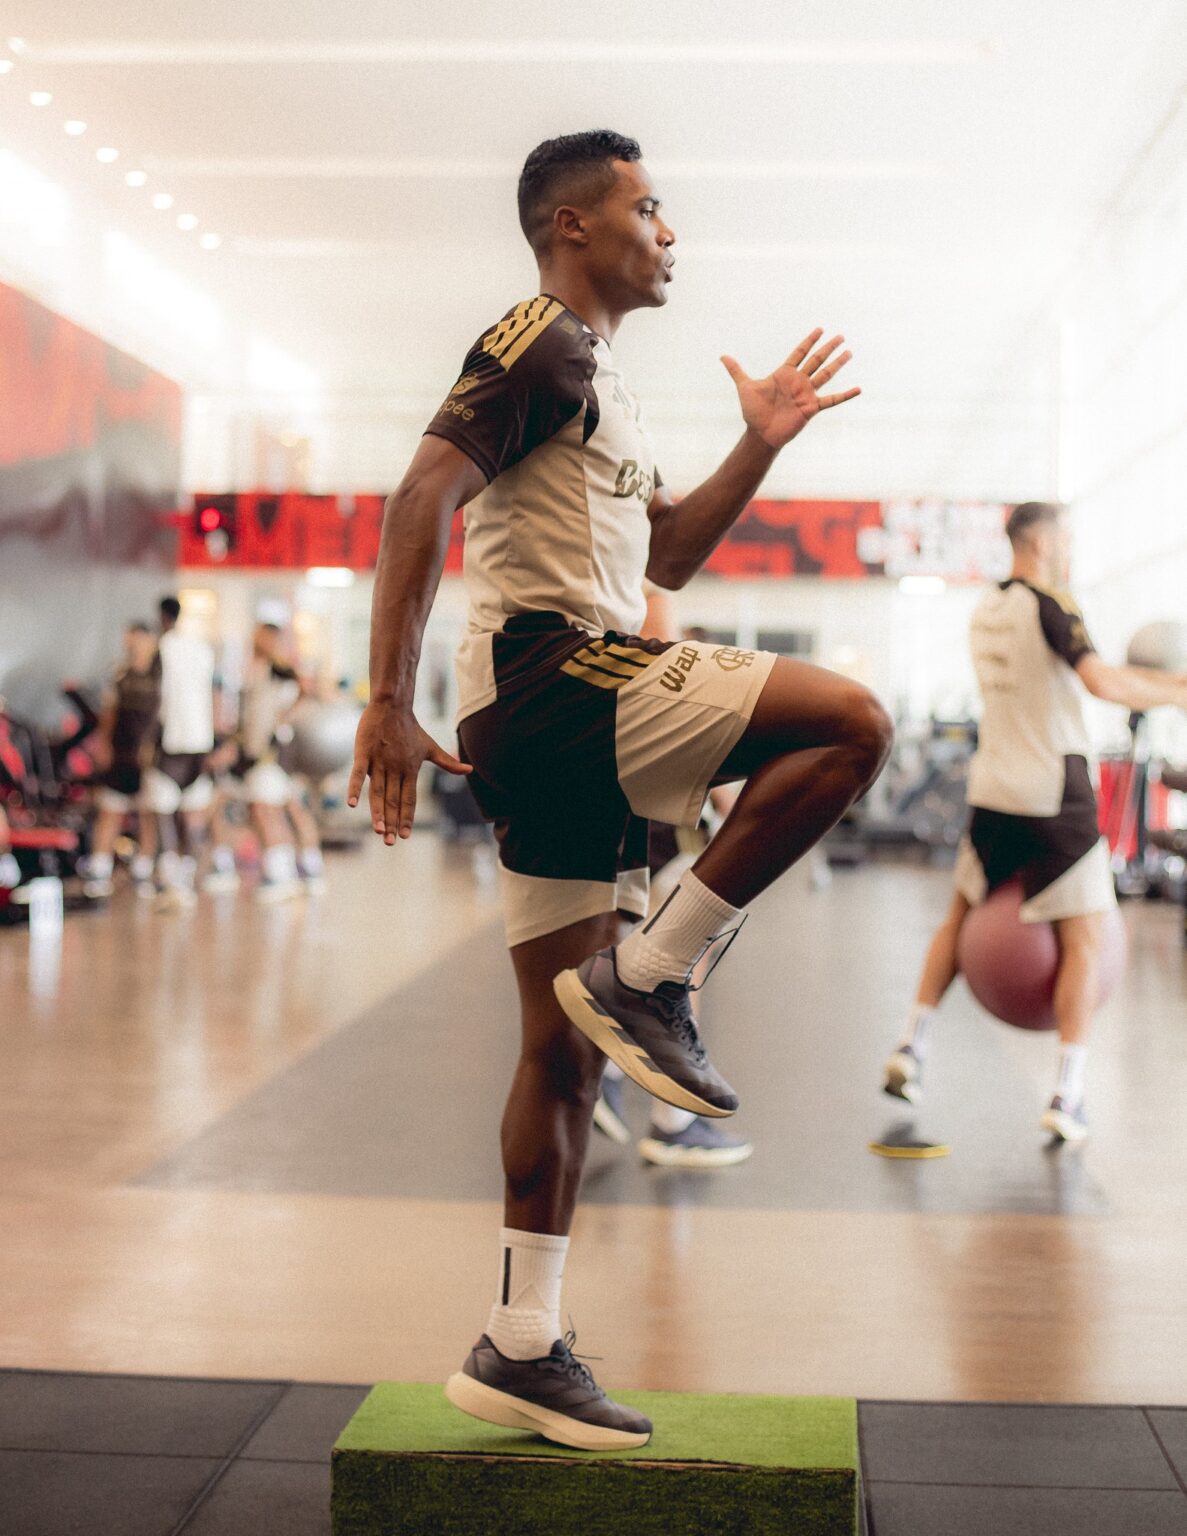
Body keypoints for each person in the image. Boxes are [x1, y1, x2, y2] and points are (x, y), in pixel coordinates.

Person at [349, 128, 891, 1451]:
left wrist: (758, 441)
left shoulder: (599, 383)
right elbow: (420, 495)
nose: (668, 231)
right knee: (851, 724)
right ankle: (658, 975)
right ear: (572, 226)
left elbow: (670, 557)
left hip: (557, 701)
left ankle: (518, 1343)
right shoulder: (534, 335)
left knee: (557, 1049)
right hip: (554, 682)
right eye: (647, 209)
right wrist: (381, 698)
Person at [882, 501, 1187, 1142]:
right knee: (1086, 940)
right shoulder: (1053, 601)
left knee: (959, 917)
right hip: (1053, 794)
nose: (1071, 550)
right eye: (1067, 539)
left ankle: (910, 1048)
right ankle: (1067, 1094)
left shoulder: (986, 609)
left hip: (993, 790)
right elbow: (1102, 683)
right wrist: (1179, 690)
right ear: (1042, 544)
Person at [593, 587, 752, 1168]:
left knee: (643, 976)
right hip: (675, 857)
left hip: (633, 853)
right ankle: (672, 1121)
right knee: (674, 980)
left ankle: (609, 1081)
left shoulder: (633, 687)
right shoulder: (690, 700)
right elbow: (732, 805)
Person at [239, 621, 327, 902]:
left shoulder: (279, 669)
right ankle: (303, 867)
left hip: (273, 750)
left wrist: (282, 719)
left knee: (267, 809)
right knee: (285, 806)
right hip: (264, 750)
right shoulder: (261, 669)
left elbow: (307, 690)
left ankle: (282, 872)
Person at [79, 622, 161, 899]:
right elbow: (109, 713)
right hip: (121, 753)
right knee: (110, 809)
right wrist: (103, 744)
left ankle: (143, 868)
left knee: (149, 813)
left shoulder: (160, 675)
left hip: (150, 756)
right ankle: (100, 867)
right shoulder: (120, 674)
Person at [146, 595, 216, 910]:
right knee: (191, 813)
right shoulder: (202, 649)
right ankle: (189, 874)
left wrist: (147, 742)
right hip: (200, 742)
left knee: (163, 813)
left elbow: (155, 698)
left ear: (162, 616)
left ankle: (173, 878)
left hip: (171, 742)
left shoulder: (162, 649)